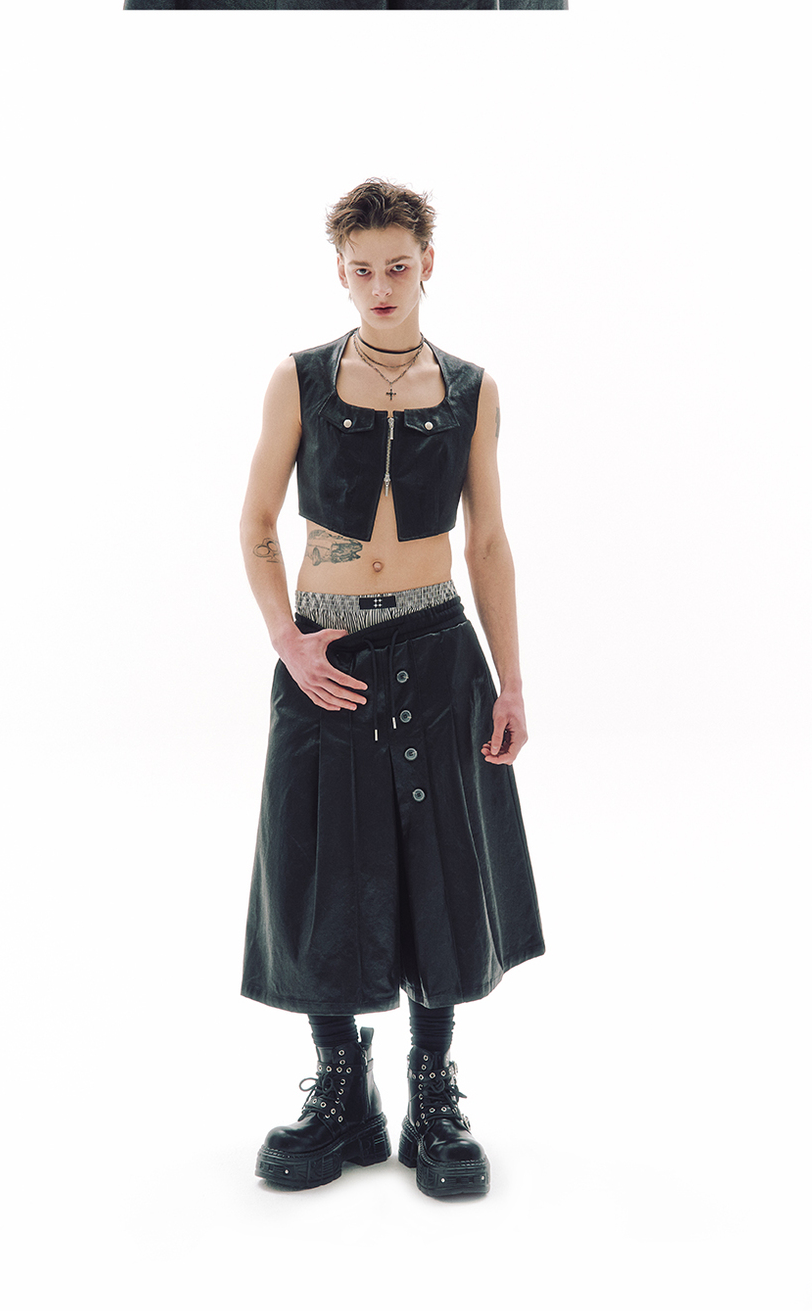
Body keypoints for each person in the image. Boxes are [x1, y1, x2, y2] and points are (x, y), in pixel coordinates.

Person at [240, 179, 544, 1201]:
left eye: (398, 266)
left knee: (436, 863)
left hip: (435, 646)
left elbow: (488, 542)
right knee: (319, 859)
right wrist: (288, 642)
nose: (381, 285)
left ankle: (431, 1091)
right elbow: (255, 524)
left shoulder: (471, 389)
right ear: (340, 271)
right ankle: (342, 1089)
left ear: (427, 266)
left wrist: (510, 681)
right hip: (325, 653)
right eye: (362, 268)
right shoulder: (297, 379)